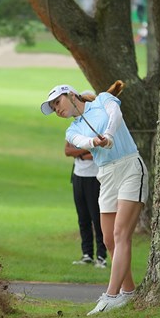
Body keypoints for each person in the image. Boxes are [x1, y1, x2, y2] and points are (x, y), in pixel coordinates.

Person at [40, 81, 148, 315]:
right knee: (109, 240)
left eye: (57, 102)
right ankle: (129, 293)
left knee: (120, 234)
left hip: (130, 167)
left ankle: (111, 295)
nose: (57, 109)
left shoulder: (102, 100)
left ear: (70, 95)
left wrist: (108, 134)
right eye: (53, 107)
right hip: (106, 175)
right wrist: (95, 142)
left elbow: (115, 114)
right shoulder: (72, 129)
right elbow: (80, 142)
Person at [65, 91, 107, 269]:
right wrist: (84, 150)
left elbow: (96, 152)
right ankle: (87, 254)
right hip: (78, 176)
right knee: (82, 217)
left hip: (93, 177)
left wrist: (81, 150)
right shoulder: (75, 127)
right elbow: (68, 151)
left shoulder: (98, 123)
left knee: (96, 217)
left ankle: (102, 256)